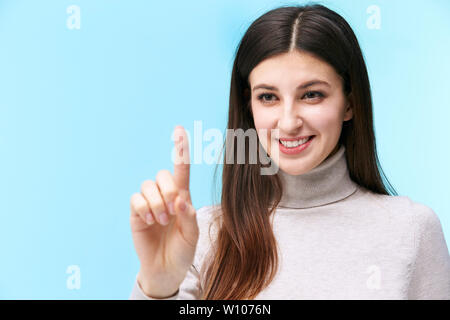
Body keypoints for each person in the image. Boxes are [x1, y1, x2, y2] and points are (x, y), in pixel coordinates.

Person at [128, 4, 450, 300]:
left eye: (311, 95)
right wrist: (158, 285)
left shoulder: (410, 229)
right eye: (268, 97)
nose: (288, 122)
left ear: (349, 102)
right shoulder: (204, 234)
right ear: (249, 106)